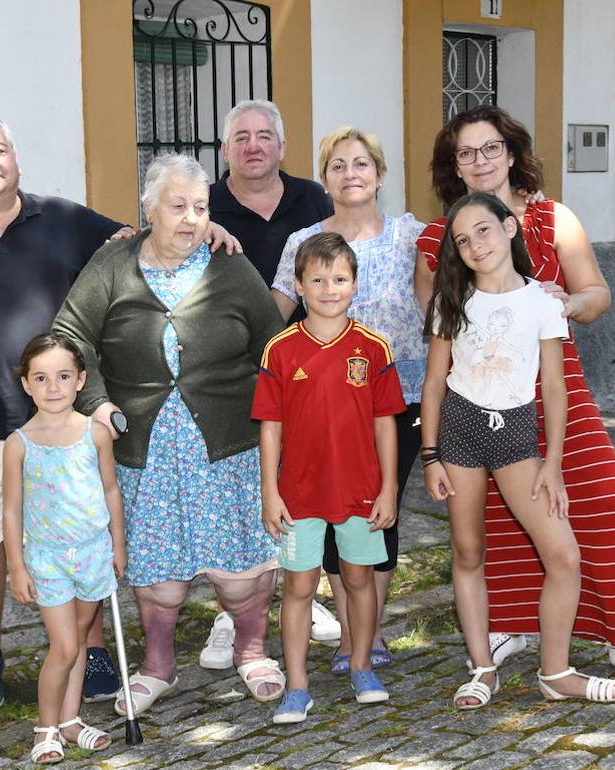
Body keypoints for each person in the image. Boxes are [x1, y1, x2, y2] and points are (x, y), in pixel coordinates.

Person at [0, 112, 239, 710]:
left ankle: (92, 650)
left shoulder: (66, 220)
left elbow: (145, 236)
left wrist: (201, 221)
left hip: (62, 429)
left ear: (16, 158)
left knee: (78, 535)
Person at [415, 105, 615, 671]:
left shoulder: (553, 219)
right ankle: (507, 627)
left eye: (490, 147)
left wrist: (566, 302)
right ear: (455, 169)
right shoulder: (440, 238)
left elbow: (597, 293)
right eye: (466, 153)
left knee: (605, 502)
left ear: (511, 153)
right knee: (496, 518)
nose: (480, 160)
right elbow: (441, 330)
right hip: (482, 402)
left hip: (558, 389)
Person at [53, 153, 286, 714]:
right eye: (177, 206)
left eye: (200, 207)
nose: (189, 219)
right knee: (157, 574)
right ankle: (159, 669)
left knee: (242, 566)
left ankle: (251, 651)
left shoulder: (229, 265)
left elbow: (273, 344)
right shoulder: (113, 265)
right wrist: (97, 402)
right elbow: (70, 334)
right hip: (146, 449)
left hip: (228, 446)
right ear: (148, 210)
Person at [420, 191, 615, 709]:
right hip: (461, 432)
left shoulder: (543, 301)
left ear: (510, 228)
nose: (474, 245)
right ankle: (482, 669)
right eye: (462, 239)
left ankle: (555, 673)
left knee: (563, 553)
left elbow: (554, 389)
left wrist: (552, 464)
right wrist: (430, 455)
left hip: (516, 435)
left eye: (483, 230)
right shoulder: (453, 300)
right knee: (469, 554)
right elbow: (433, 382)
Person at [271, 127, 428, 674]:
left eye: (362, 164)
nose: (351, 174)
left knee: (378, 511)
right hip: (323, 405)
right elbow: (273, 314)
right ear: (325, 178)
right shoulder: (303, 242)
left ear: (380, 174)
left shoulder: (410, 236)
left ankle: (371, 632)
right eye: (338, 165)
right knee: (332, 512)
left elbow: (446, 288)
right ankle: (348, 638)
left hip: (399, 398)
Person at [202, 99, 340, 667]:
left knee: (299, 481)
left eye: (264, 135)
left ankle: (301, 592)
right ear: (226, 149)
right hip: (226, 371)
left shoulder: (313, 198)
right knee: (239, 488)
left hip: (306, 364)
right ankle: (230, 615)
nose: (253, 145)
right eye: (241, 137)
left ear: (282, 147)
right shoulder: (201, 204)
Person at [255, 232, 405, 724]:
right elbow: (270, 426)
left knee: (359, 579)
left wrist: (388, 487)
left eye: (339, 278)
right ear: (298, 285)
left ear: (355, 285)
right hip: (298, 494)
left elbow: (387, 423)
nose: (328, 288)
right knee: (299, 588)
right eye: (317, 279)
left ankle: (361, 664)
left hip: (361, 491)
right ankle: (297, 685)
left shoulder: (373, 348)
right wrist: (270, 491)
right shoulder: (279, 350)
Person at [1, 333, 125, 764]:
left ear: (80, 380)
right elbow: (13, 510)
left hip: (93, 553)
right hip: (48, 559)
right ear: (26, 385)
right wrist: (16, 566)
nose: (53, 387)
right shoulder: (19, 444)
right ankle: (45, 728)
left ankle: (70, 722)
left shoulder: (95, 434)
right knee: (66, 646)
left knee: (79, 643)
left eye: (63, 376)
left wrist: (118, 547)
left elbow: (111, 491)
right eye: (41, 378)